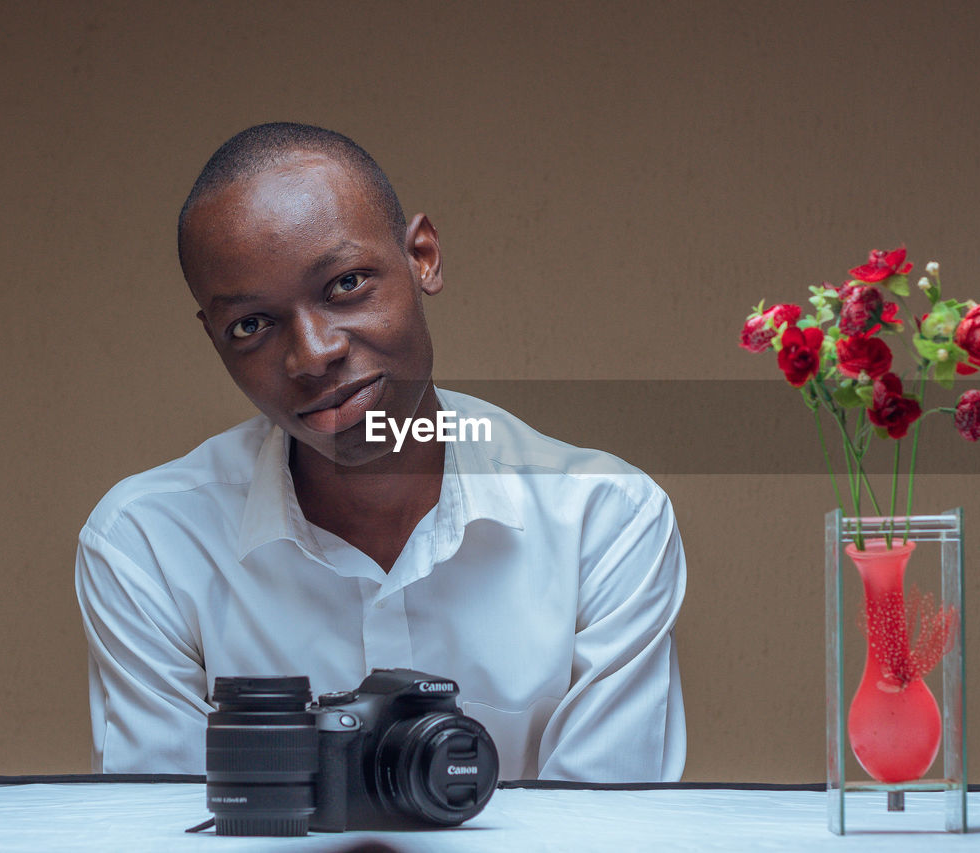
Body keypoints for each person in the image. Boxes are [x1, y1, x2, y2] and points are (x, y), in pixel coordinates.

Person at [75, 122, 687, 781]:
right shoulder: (148, 545)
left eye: (345, 284)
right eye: (251, 324)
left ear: (422, 256)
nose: (313, 353)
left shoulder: (604, 521)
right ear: (215, 339)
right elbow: (162, 831)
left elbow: (609, 833)